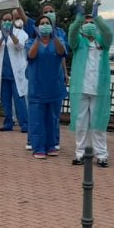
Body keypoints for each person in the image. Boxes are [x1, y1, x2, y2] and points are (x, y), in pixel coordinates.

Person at [68, 5, 112, 166]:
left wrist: (97, 19)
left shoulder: (103, 43)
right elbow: (72, 34)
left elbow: (108, 33)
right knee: (81, 123)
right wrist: (78, 20)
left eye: (91, 22)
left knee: (98, 123)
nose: (89, 25)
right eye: (86, 23)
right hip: (81, 89)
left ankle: (102, 155)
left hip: (99, 90)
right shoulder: (78, 43)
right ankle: (81, 154)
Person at [26, 15, 66, 158]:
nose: (44, 25)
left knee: (52, 119)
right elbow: (31, 55)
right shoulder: (31, 42)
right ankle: (39, 147)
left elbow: (61, 52)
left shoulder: (58, 40)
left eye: (47, 23)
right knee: (37, 120)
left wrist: (54, 37)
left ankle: (51, 145)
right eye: (41, 23)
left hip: (54, 87)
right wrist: (38, 39)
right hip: (37, 87)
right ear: (37, 28)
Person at [0, 11, 29, 134]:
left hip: (16, 73)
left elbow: (20, 46)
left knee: (19, 100)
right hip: (2, 74)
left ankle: (25, 124)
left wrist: (11, 34)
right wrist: (3, 37)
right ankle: (8, 123)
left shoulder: (20, 33)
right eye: (4, 20)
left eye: (9, 20)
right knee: (5, 100)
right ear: (0, 22)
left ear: (12, 21)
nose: (7, 22)